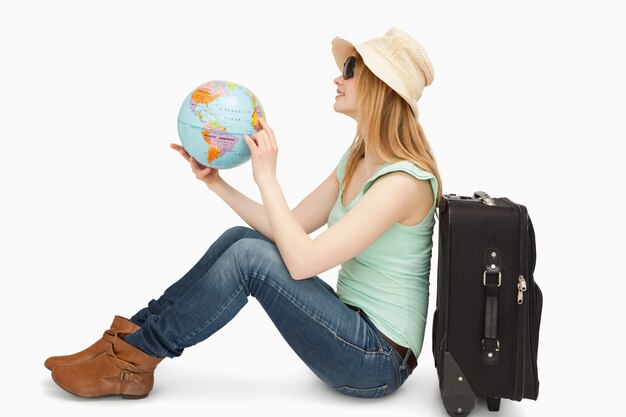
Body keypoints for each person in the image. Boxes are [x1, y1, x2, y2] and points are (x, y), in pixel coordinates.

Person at [45, 27, 443, 400]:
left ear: (381, 87)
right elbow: (288, 228)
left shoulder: (403, 183)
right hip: (347, 327)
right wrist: (217, 183)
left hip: (377, 360)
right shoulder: (358, 159)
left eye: (351, 69)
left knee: (250, 258)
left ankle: (131, 364)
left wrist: (267, 178)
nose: (338, 78)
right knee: (243, 239)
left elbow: (302, 262)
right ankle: (126, 341)